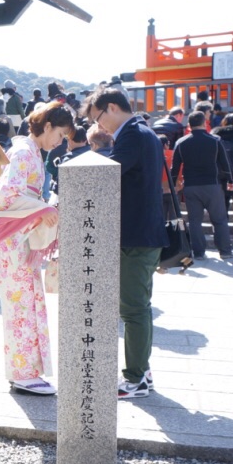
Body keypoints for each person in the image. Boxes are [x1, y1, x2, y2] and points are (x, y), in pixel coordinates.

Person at [85, 87, 166, 400]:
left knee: (133, 310)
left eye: (99, 117)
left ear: (113, 107)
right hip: (142, 233)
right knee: (138, 307)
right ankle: (141, 370)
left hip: (137, 235)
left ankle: (135, 379)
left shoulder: (132, 134)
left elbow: (108, 173)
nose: (100, 126)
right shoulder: (143, 131)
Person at [0, 101, 69, 396]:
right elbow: (7, 196)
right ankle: (22, 372)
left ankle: (27, 370)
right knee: (21, 306)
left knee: (28, 303)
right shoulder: (24, 152)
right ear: (46, 127)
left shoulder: (30, 152)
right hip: (15, 241)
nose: (60, 141)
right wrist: (40, 208)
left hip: (21, 239)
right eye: (59, 134)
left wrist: (40, 208)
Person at [170, 110, 233, 260]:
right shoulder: (215, 140)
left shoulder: (181, 143)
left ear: (189, 125)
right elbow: (225, 163)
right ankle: (225, 251)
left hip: (191, 186)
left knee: (194, 221)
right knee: (219, 219)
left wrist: (173, 183)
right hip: (212, 185)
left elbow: (175, 167)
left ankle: (199, 252)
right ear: (204, 122)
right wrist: (231, 180)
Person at [49, 119, 91, 196]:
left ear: (70, 140)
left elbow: (59, 188)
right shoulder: (95, 156)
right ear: (86, 140)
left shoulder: (68, 159)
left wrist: (53, 185)